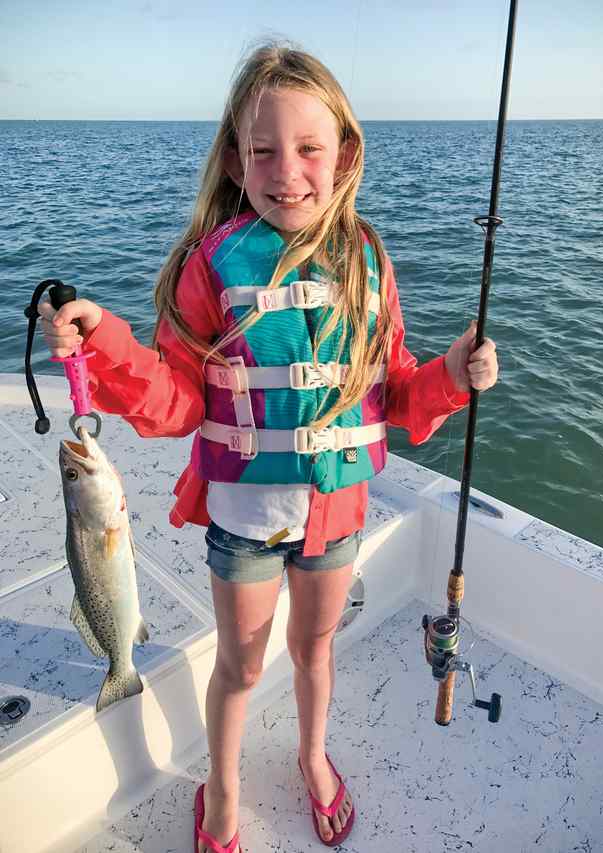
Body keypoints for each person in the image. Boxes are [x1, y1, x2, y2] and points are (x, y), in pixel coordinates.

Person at [39, 44, 498, 853]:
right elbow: (177, 398)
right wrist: (103, 339)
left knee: (315, 649)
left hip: (336, 515)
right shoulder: (210, 266)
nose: (287, 171)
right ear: (233, 160)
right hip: (244, 520)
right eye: (262, 150)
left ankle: (312, 753)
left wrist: (454, 375)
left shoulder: (369, 261)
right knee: (242, 667)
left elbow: (391, 392)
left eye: (309, 148)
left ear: (344, 153)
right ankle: (224, 785)